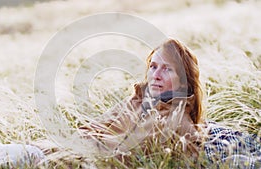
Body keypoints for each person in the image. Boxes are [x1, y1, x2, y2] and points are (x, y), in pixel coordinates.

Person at [78, 38, 261, 168]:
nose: (156, 75)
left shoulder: (179, 119)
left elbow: (131, 155)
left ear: (182, 81)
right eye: (153, 66)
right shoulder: (135, 100)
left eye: (167, 69)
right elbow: (87, 130)